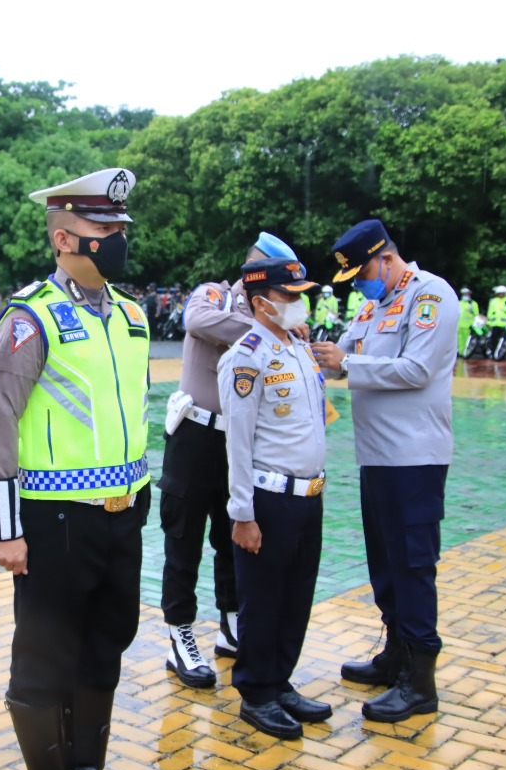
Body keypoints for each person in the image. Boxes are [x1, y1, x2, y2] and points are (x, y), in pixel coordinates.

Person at [0, 167, 148, 770]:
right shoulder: (31, 318)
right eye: (100, 228)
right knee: (46, 659)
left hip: (122, 515)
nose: (114, 237)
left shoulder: (132, 318)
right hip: (53, 521)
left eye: (118, 227)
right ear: (63, 239)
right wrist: (6, 529)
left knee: (106, 645)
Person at [311, 218, 456, 723]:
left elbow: (417, 370)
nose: (360, 286)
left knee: (414, 566)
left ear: (386, 259)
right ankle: (396, 654)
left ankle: (420, 682)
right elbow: (343, 351)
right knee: (385, 564)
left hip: (415, 459)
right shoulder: (376, 305)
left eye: (363, 274)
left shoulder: (430, 296)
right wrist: (316, 354)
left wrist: (347, 366)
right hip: (377, 457)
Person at [159, 231, 293, 689]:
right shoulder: (215, 295)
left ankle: (232, 625)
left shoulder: (278, 328)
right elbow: (196, 320)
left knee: (232, 534)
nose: (284, 299)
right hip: (194, 435)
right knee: (184, 538)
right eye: (277, 286)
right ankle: (180, 635)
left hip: (238, 441)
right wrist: (267, 330)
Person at [217, 254, 330, 740]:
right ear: (262, 302)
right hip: (268, 499)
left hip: (309, 496)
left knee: (295, 597)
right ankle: (256, 693)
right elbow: (237, 442)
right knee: (262, 601)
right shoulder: (246, 356)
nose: (299, 303)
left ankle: (279, 680)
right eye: (290, 296)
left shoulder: (297, 348)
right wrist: (242, 514)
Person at [485, 285, 506, 358]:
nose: (501, 294)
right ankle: (493, 353)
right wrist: (489, 323)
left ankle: (501, 354)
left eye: (502, 293)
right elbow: (490, 313)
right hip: (495, 324)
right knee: (493, 340)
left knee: (503, 340)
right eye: (499, 293)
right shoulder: (493, 301)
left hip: (505, 324)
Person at [457, 288, 478, 357]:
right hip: (459, 325)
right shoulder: (459, 303)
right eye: (464, 294)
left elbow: (476, 315)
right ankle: (460, 353)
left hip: (469, 325)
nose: (465, 295)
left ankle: (467, 353)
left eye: (467, 294)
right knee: (460, 340)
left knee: (467, 340)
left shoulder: (473, 304)